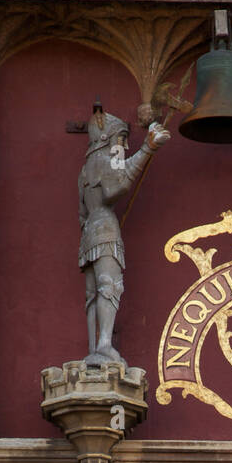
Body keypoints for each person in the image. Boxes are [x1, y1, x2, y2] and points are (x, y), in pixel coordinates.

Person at [78, 103, 170, 362]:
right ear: (106, 138)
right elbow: (115, 187)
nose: (124, 145)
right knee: (110, 286)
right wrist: (148, 148)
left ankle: (95, 349)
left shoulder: (86, 168)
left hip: (88, 233)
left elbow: (81, 211)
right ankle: (104, 344)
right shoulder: (103, 160)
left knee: (93, 293)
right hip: (106, 229)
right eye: (121, 139)